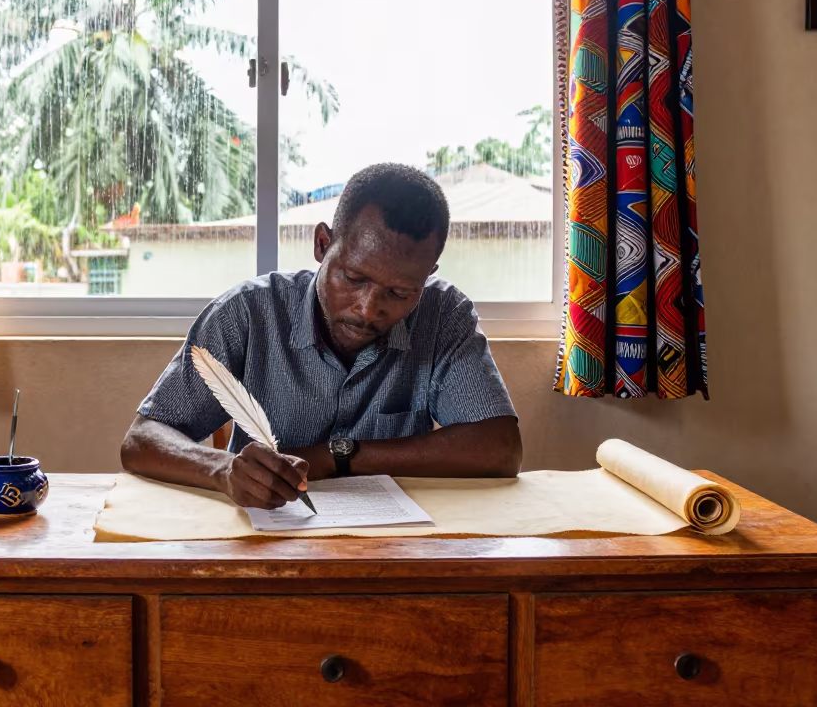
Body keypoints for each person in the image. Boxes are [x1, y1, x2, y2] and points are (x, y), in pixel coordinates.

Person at [120, 163, 523, 509]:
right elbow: (142, 440)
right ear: (322, 244)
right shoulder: (247, 313)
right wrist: (222, 469)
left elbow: (500, 449)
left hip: (396, 549)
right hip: (265, 545)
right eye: (353, 277)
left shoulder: (443, 314)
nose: (368, 309)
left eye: (400, 293)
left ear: (428, 274)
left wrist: (337, 456)